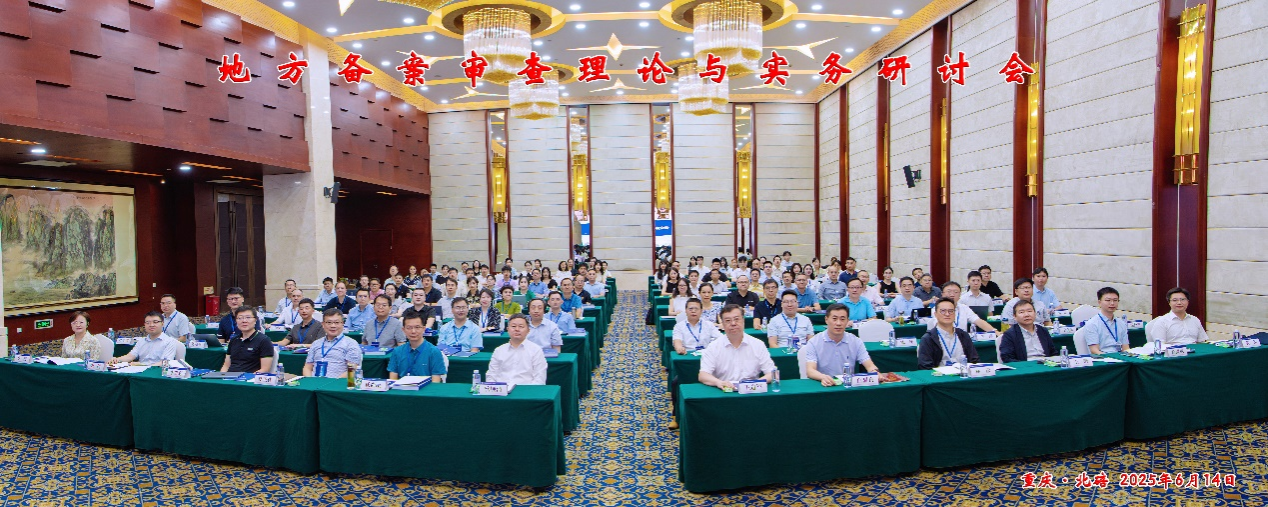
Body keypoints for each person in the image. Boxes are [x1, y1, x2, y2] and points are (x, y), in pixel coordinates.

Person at [698, 304, 776, 391]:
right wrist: (718, 382)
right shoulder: (713, 347)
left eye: (736, 319)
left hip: (751, 392)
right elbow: (703, 375)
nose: (733, 323)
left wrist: (756, 383)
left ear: (743, 320)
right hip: (724, 391)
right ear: (722, 324)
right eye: (728, 321)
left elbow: (772, 373)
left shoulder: (758, 345)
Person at [805, 303, 880, 386]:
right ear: (826, 320)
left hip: (847, 386)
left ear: (847, 321)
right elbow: (810, 370)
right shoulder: (814, 342)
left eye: (842, 319)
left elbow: (869, 365)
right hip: (824, 385)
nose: (838, 323)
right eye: (834, 319)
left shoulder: (855, 341)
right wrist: (823, 377)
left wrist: (875, 373)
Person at [917, 298, 980, 369]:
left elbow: (974, 361)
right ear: (935, 314)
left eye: (951, 311)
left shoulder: (963, 335)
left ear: (955, 314)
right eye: (943, 311)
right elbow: (925, 366)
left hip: (963, 373)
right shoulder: (928, 339)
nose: (947, 314)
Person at [299, 308, 364, 378]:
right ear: (323, 324)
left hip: (338, 383)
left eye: (336, 322)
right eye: (329, 322)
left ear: (342, 324)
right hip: (314, 382)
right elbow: (307, 368)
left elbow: (352, 369)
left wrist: (333, 382)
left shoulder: (351, 344)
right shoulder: (316, 343)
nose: (333, 326)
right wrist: (310, 381)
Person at [485, 314, 547, 385]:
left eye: (521, 326)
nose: (517, 329)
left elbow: (540, 378)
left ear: (528, 330)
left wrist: (530, 390)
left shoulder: (535, 350)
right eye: (513, 326)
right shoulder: (499, 350)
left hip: (526, 389)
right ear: (508, 329)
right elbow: (491, 375)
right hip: (502, 389)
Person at [109, 311, 181, 365]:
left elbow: (165, 363)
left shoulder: (169, 341)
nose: (151, 325)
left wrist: (142, 365)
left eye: (155, 322)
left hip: (157, 374)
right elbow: (130, 356)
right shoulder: (141, 341)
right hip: (140, 372)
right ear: (144, 325)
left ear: (162, 323)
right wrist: (117, 359)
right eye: (148, 323)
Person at [219, 307, 275, 373]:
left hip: (250, 377)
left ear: (255, 320)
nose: (244, 321)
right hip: (230, 376)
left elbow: (265, 369)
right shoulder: (234, 340)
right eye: (240, 318)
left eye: (248, 317)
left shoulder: (264, 340)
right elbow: (226, 366)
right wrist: (222, 376)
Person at [1083, 287, 1128, 354]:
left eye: (1115, 300)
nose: (1112, 303)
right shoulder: (1092, 324)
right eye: (1108, 300)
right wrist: (1111, 357)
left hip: (1120, 357)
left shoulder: (1121, 323)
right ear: (1099, 302)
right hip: (1102, 357)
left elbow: (1126, 348)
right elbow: (1094, 350)